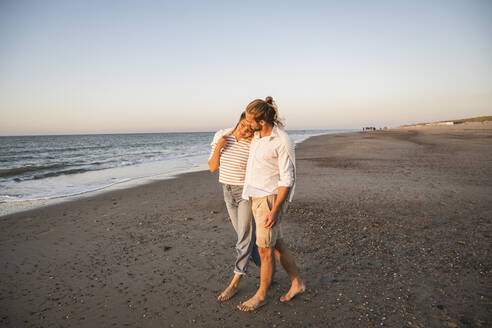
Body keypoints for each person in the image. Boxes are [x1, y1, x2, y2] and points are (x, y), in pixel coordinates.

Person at [237, 96, 306, 312]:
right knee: (276, 245)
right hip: (256, 198)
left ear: (262, 121)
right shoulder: (257, 136)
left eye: (250, 120)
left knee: (264, 250)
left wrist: (275, 210)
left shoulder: (281, 140)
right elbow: (238, 132)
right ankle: (297, 283)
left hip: (269, 199)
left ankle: (261, 295)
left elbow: (288, 179)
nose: (247, 124)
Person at [208, 112, 261, 302]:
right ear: (240, 119)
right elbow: (213, 167)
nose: (246, 129)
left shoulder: (254, 143)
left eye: (251, 128)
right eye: (244, 124)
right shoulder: (222, 136)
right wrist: (219, 149)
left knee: (244, 239)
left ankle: (235, 283)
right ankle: (267, 272)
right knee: (246, 238)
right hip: (227, 192)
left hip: (246, 194)